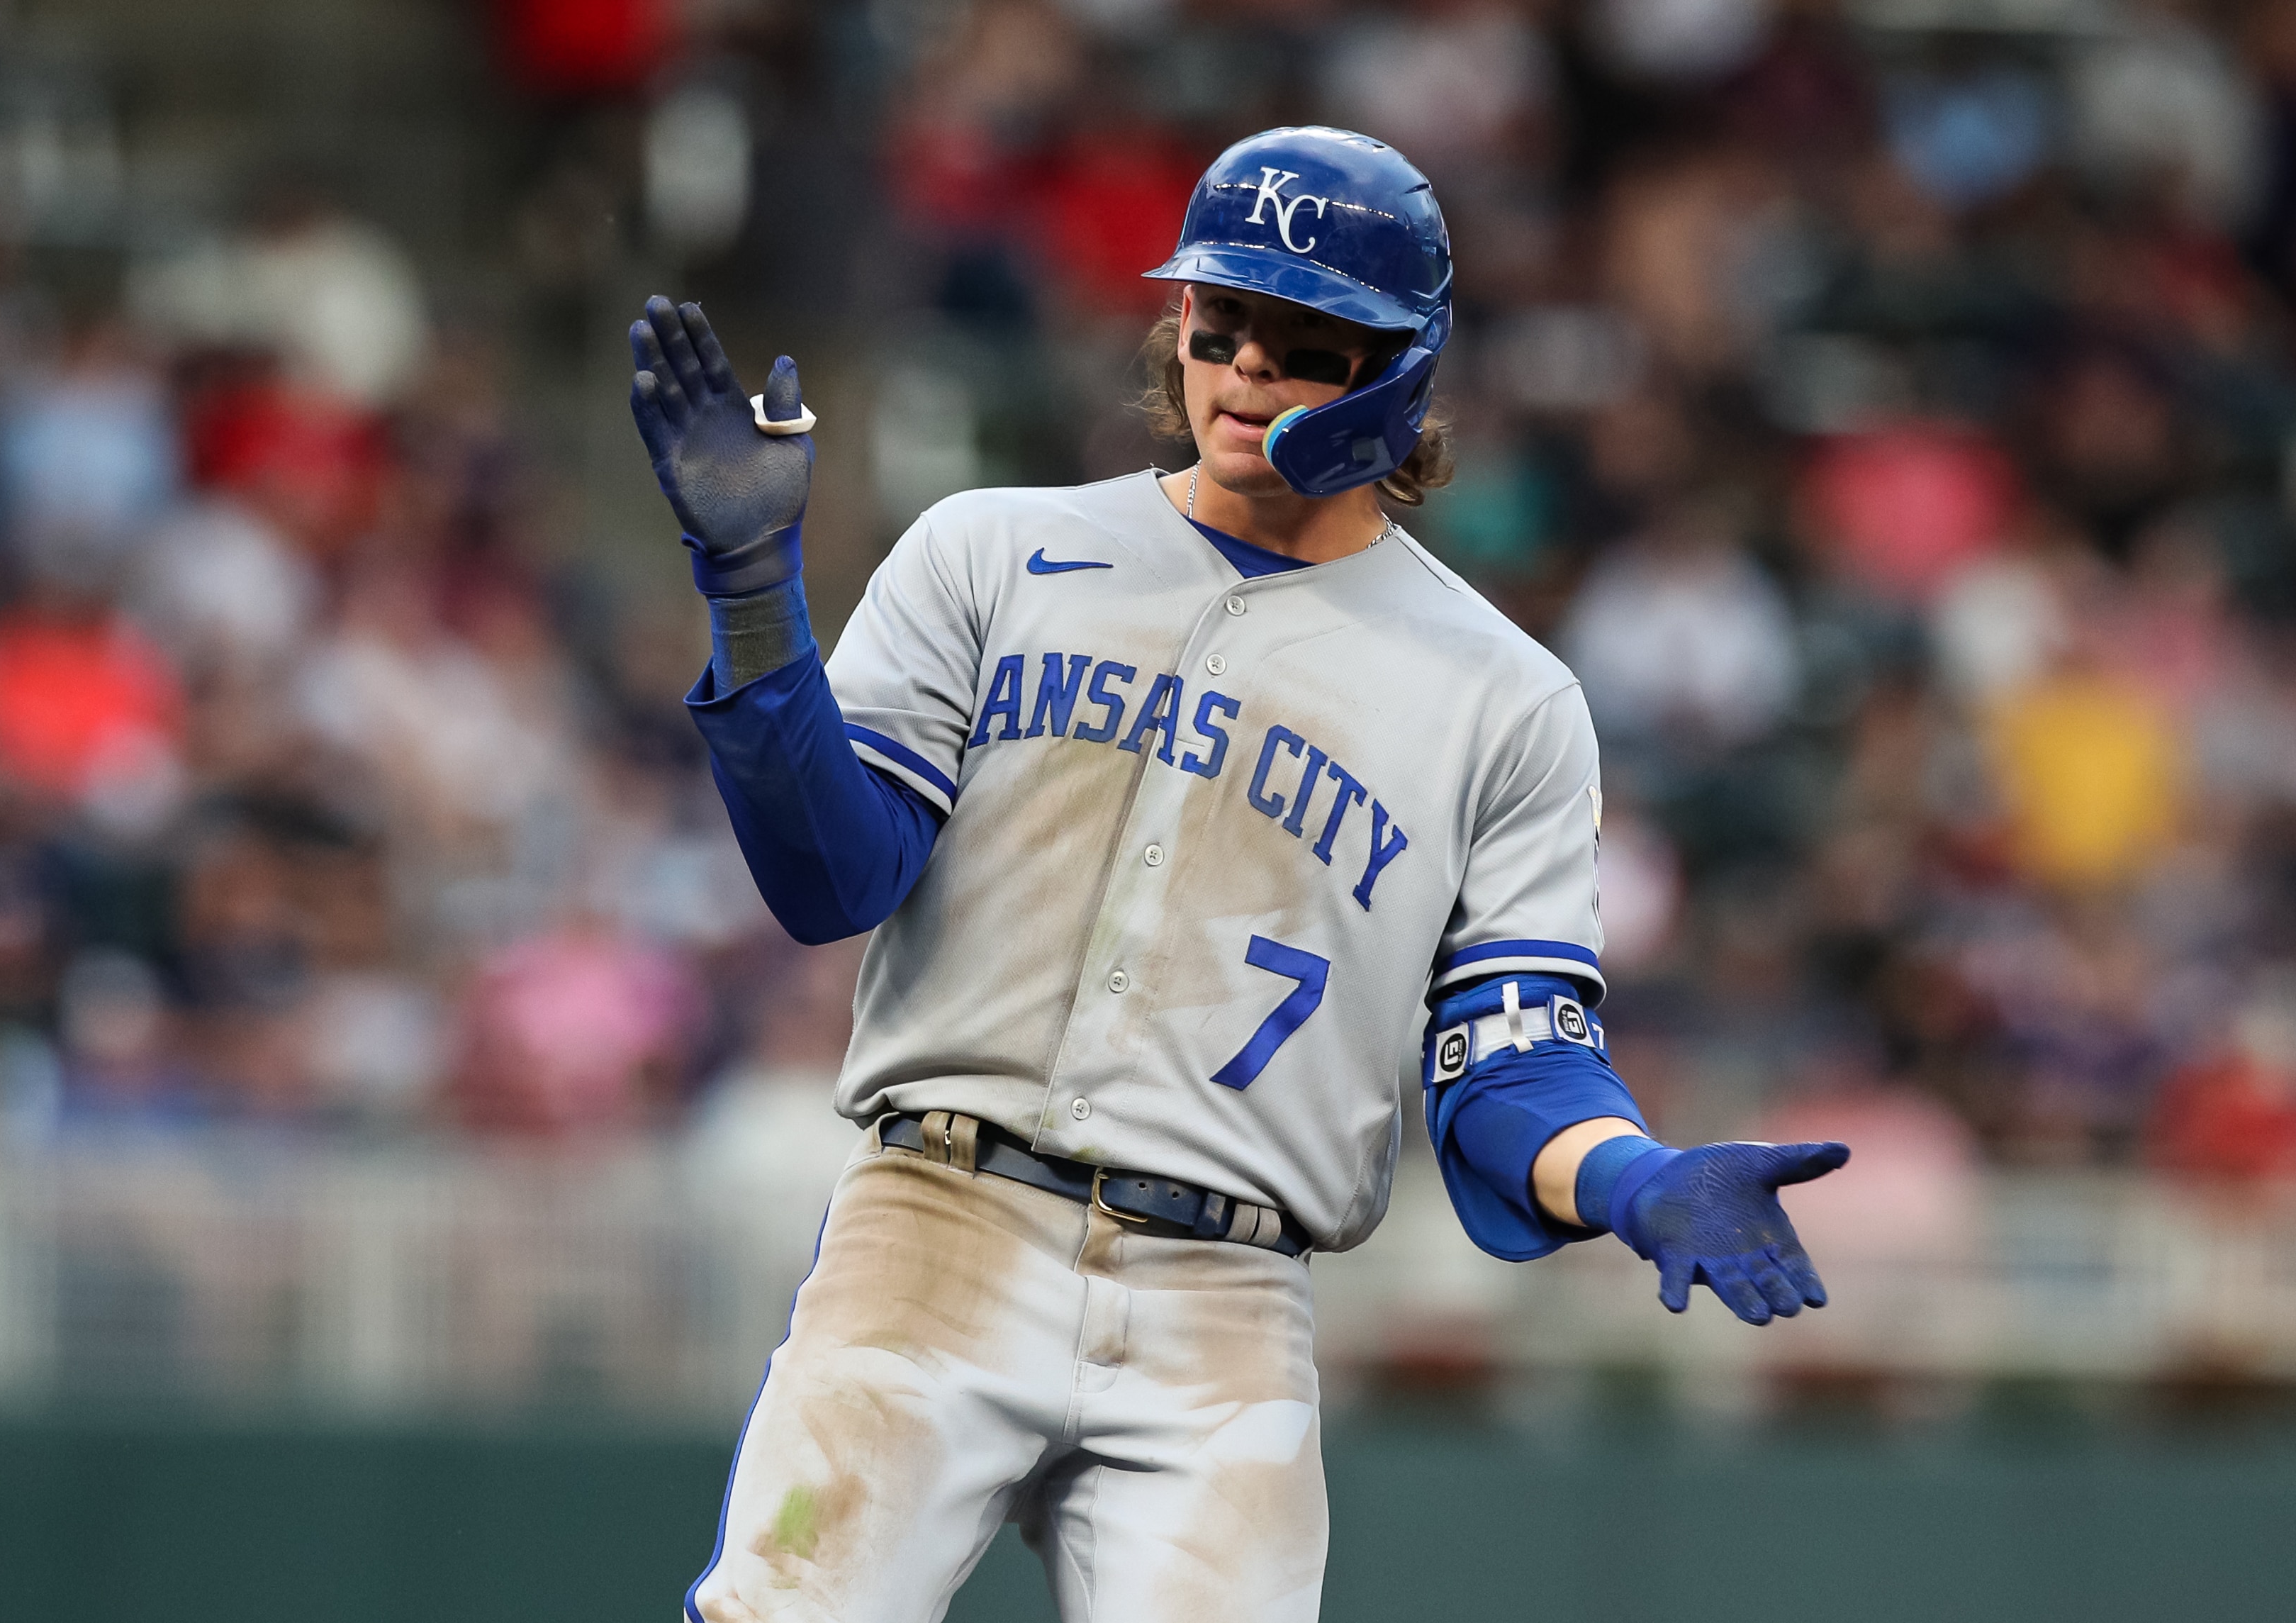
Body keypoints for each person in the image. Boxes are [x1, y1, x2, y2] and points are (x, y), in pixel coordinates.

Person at [630, 126, 1849, 1623]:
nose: (1246, 367)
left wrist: (1635, 1172)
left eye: (1303, 340)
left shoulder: (1502, 697)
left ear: (1401, 370)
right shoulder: (994, 550)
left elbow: (1506, 1065)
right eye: (1220, 323)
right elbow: (830, 875)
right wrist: (755, 603)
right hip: (938, 1217)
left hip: (1223, 1298)